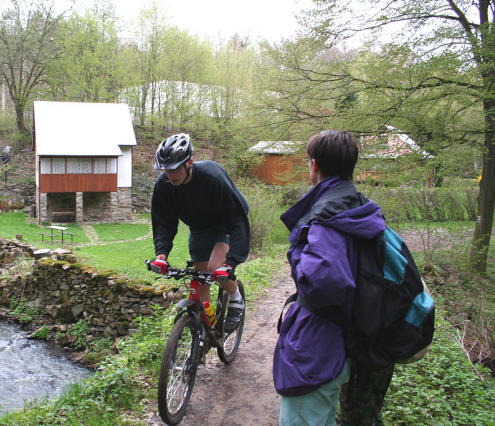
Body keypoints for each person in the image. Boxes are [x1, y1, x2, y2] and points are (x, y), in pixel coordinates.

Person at [275, 130, 386, 425]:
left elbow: (322, 283)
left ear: (314, 165)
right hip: (349, 339)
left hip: (320, 349)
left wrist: (296, 254)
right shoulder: (358, 205)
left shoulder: (326, 217)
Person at [149, 133, 250, 332]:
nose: (170, 175)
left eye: (176, 169)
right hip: (199, 226)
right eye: (166, 170)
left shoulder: (212, 175)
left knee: (214, 268)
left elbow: (236, 219)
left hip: (226, 221)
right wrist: (161, 255)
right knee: (200, 279)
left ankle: (235, 298)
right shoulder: (164, 185)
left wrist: (230, 262)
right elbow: (163, 222)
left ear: (190, 163)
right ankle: (208, 329)